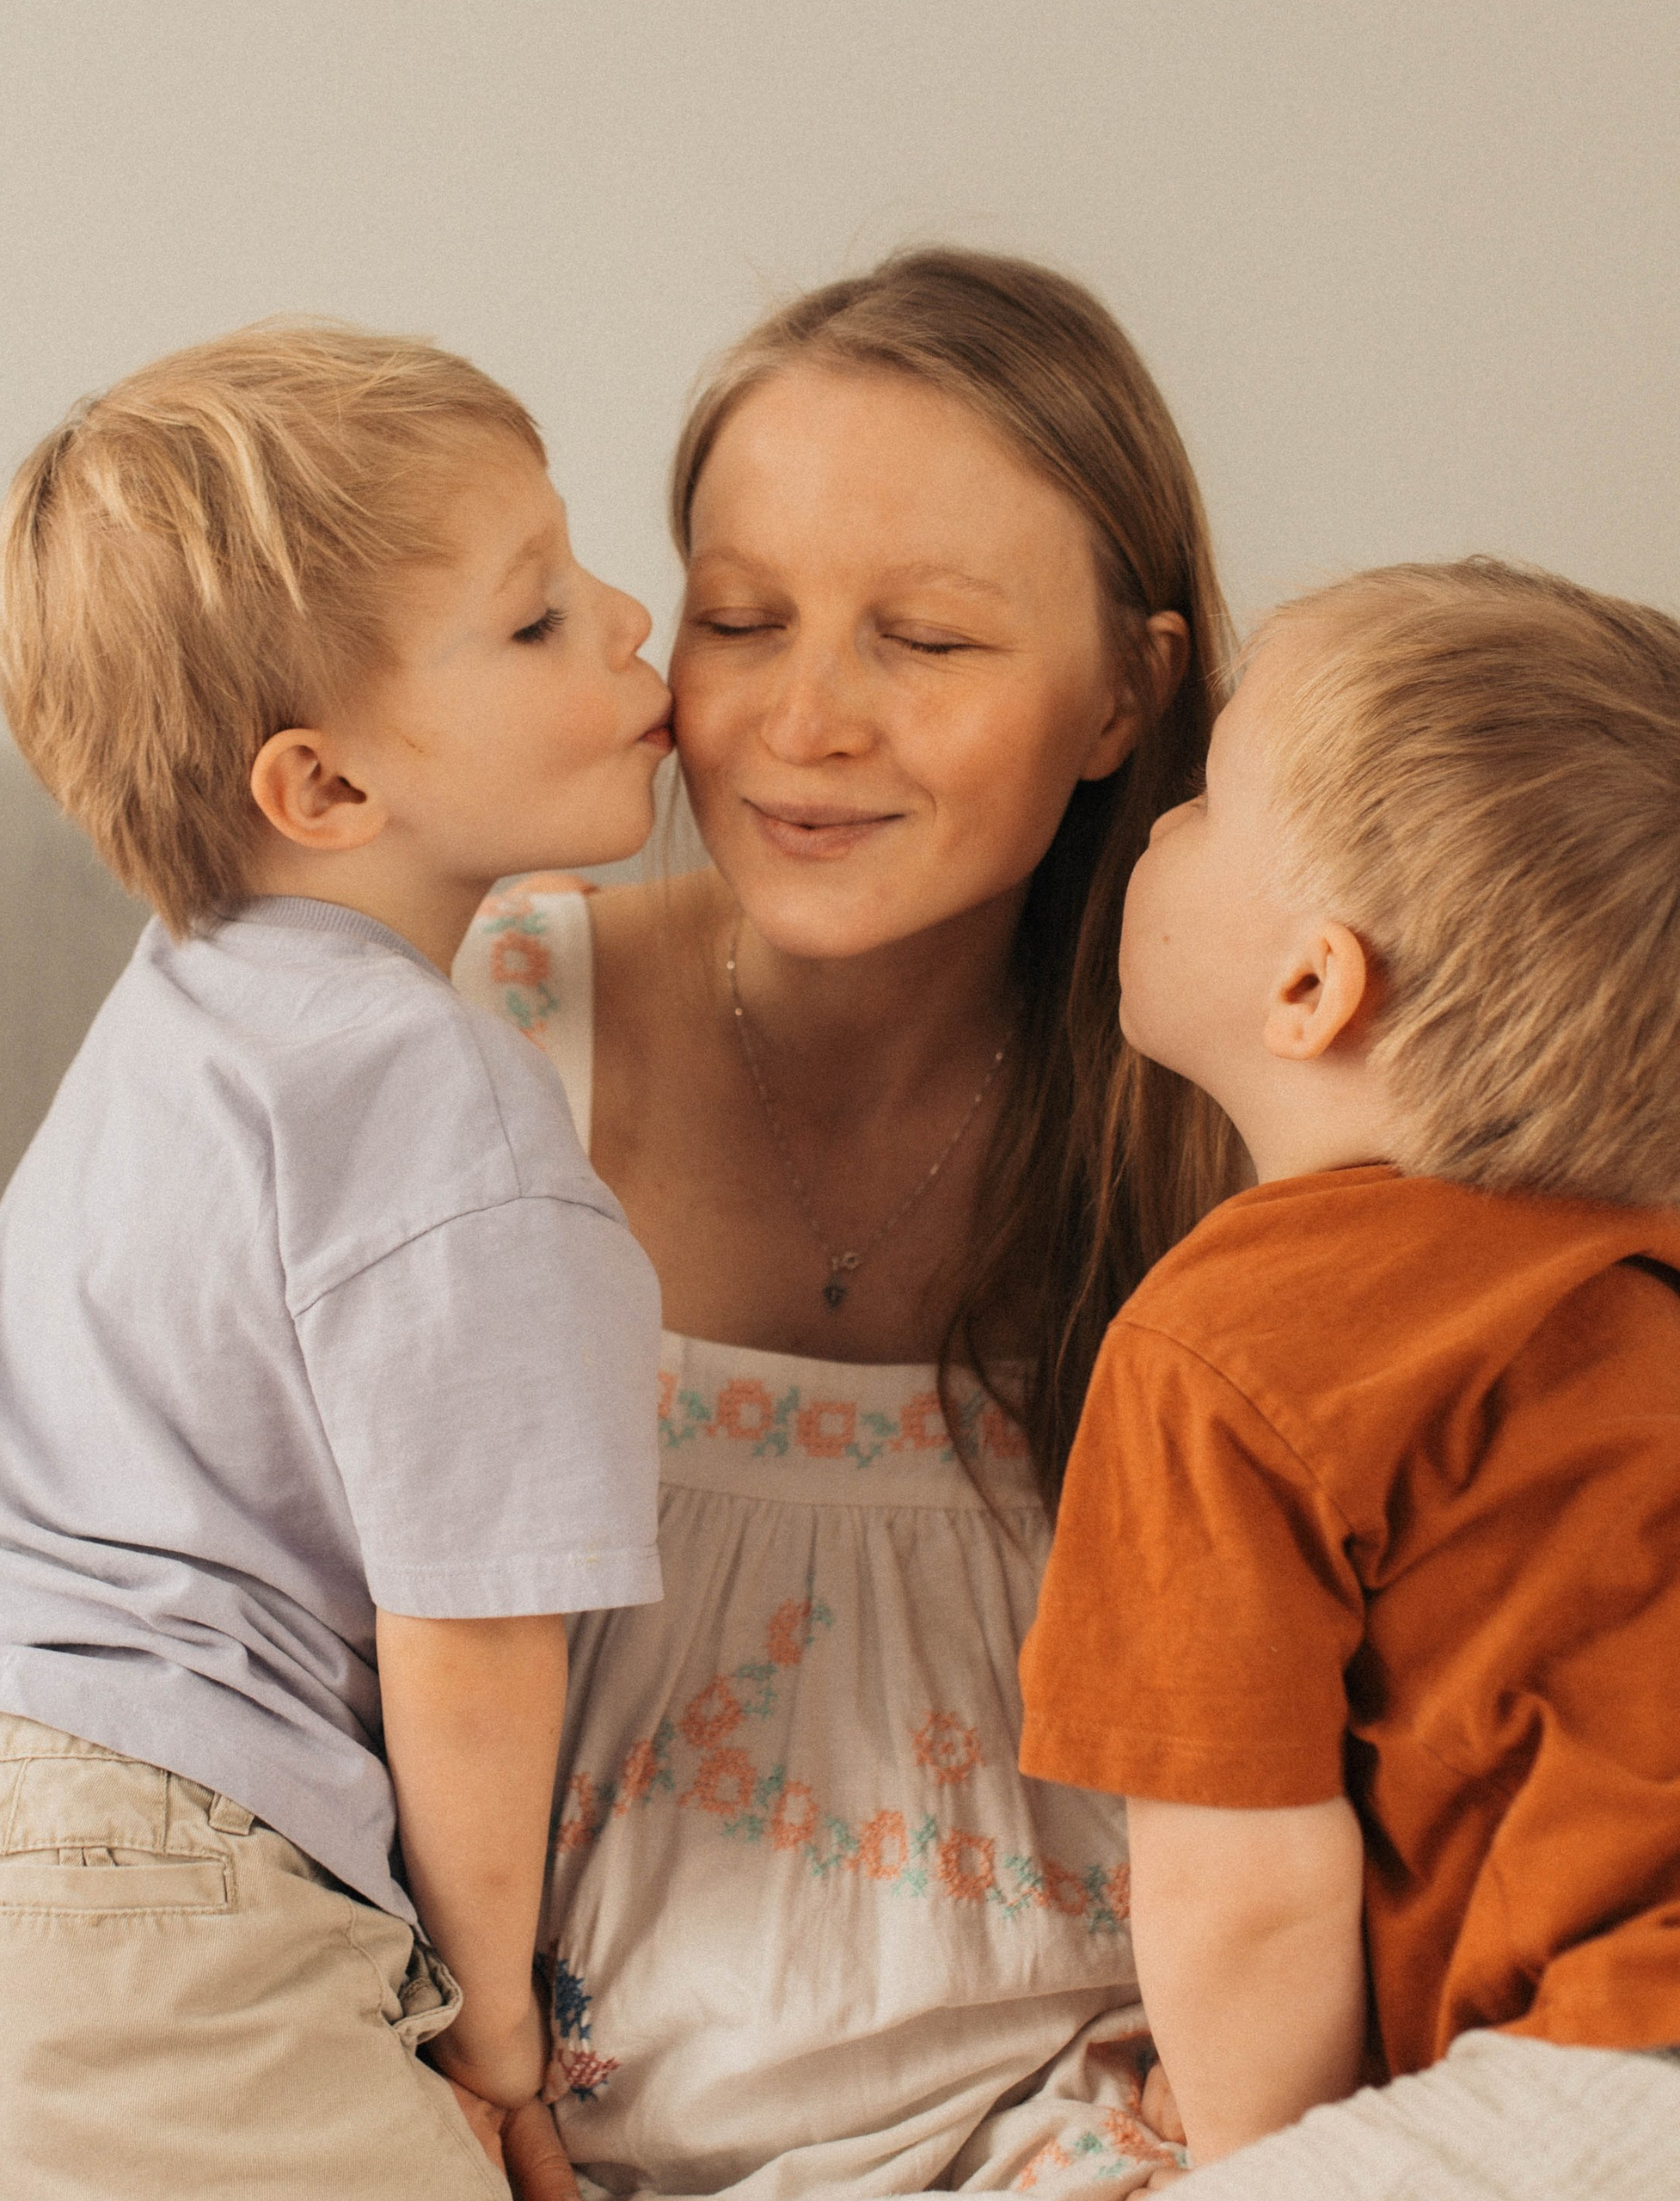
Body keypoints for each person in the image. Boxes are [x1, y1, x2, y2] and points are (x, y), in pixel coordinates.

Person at [0, 322, 674, 2201]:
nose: (627, 617)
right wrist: (495, 2033)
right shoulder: (449, 1103)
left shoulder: (175, 1015)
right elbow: (473, 1634)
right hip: (145, 1905)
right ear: (322, 788)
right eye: (533, 619)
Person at [451, 248, 1241, 2197]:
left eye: (927, 640)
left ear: (1121, 693)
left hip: (1058, 2108)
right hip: (500, 2105)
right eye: (738, 619)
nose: (803, 719)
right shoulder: (493, 1026)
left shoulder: (1225, 1112)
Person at [1018, 558, 1680, 2199]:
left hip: (1611, 2064)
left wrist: (1251, 2152)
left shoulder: (1231, 1343)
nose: (1160, 820)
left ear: (1314, 987)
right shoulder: (1639, 1273)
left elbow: (1241, 1883)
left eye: (1212, 789)